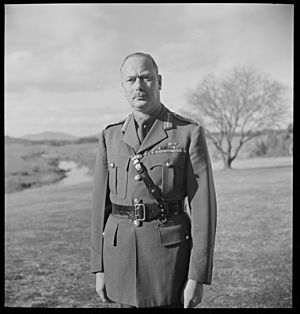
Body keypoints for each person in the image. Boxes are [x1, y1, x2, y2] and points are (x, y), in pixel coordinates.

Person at [90, 52, 217, 308]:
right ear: (123, 87)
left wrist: (197, 276)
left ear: (159, 81)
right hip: (121, 263)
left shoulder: (187, 133)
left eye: (146, 77)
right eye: (131, 79)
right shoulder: (110, 136)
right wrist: (99, 268)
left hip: (168, 264)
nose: (139, 85)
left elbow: (204, 211)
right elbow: (98, 211)